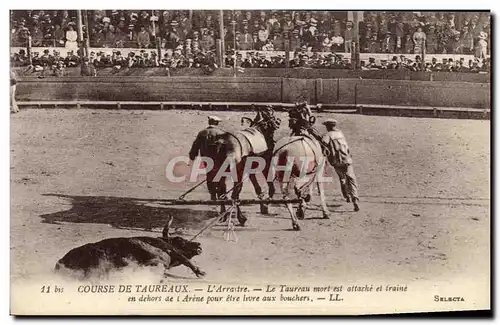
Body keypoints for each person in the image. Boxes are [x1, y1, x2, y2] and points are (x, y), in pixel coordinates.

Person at [321, 119, 359, 211]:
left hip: (337, 162)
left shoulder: (328, 135)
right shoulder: (340, 133)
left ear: (328, 126)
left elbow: (323, 143)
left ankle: (347, 196)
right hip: (347, 160)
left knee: (342, 178)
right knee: (351, 179)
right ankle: (355, 199)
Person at [188, 116, 227, 201]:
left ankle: (213, 195)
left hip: (206, 158)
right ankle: (222, 195)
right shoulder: (221, 133)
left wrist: (192, 155)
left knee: (210, 175)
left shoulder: (202, 133)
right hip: (219, 158)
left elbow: (195, 145)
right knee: (221, 176)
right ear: (216, 123)